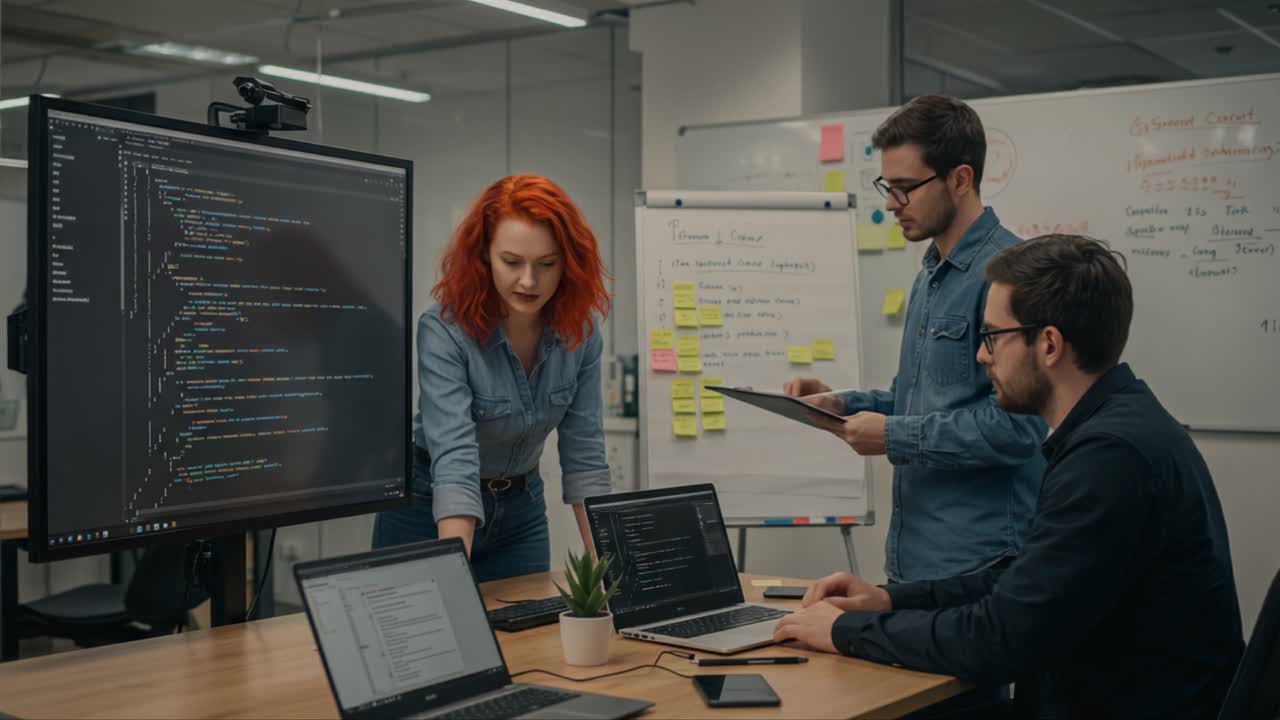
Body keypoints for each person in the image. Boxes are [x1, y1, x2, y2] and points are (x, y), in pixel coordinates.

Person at [774, 235, 1245, 719]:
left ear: (1048, 344)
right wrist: (889, 599)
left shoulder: (1109, 458)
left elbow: (1001, 637)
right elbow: (1027, 578)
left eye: (992, 337)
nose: (982, 356)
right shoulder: (1116, 425)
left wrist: (842, 632)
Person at [785, 95, 1045, 582]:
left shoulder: (1011, 276)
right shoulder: (930, 275)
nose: (889, 204)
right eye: (888, 186)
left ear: (960, 179)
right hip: (914, 559)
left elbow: (1018, 430)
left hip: (980, 564)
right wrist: (841, 403)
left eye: (905, 188)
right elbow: (919, 401)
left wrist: (891, 436)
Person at [372, 174, 613, 582]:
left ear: (568, 263)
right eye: (512, 262)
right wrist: (454, 579)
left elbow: (585, 457)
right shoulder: (445, 329)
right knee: (431, 633)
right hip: (428, 507)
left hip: (520, 513)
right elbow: (455, 461)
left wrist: (612, 571)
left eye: (547, 264)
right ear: (484, 256)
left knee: (526, 642)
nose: (529, 281)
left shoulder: (581, 330)